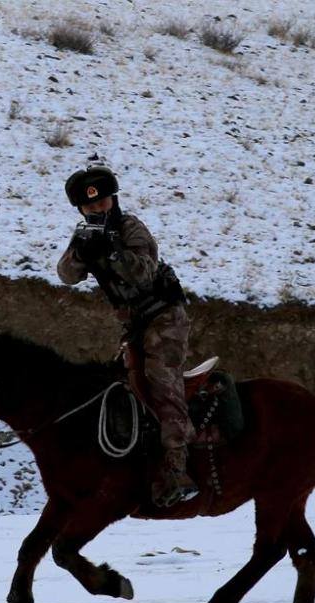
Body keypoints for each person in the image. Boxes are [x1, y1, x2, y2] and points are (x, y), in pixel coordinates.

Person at [57, 164, 198, 508]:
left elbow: (143, 274)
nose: (98, 210)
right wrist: (81, 251)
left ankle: (178, 470)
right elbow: (66, 275)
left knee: (162, 381)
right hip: (134, 323)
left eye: (103, 203)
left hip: (165, 316)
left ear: (113, 200)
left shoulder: (132, 229)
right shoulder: (85, 234)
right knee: (120, 384)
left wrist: (112, 250)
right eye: (90, 207)